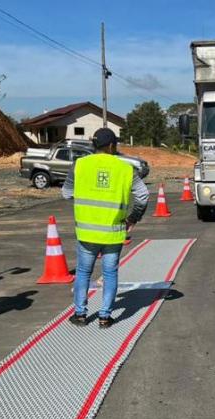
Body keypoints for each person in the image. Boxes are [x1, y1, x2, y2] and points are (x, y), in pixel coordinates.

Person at [62, 128, 149, 328]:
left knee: (83, 271)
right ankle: (105, 317)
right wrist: (133, 218)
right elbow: (143, 195)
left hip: (86, 231)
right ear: (111, 146)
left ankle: (80, 314)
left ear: (94, 145)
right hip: (113, 232)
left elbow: (66, 193)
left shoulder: (79, 165)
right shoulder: (126, 169)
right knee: (110, 273)